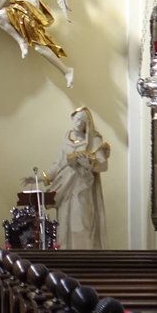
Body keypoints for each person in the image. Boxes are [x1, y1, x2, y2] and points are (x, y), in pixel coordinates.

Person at [47, 106, 109, 249]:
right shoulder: (66, 138)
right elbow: (59, 164)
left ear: (87, 124)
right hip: (65, 190)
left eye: (82, 121)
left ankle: (82, 263)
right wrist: (43, 177)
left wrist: (89, 164)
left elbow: (103, 165)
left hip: (82, 189)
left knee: (80, 225)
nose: (78, 123)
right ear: (72, 118)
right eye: (76, 119)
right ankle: (64, 263)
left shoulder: (94, 140)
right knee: (63, 226)